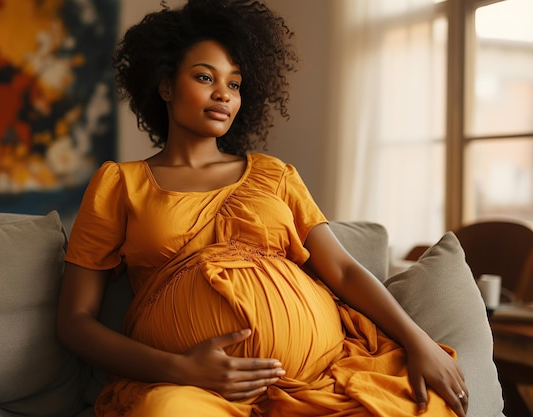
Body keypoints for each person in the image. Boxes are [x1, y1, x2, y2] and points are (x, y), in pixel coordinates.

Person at [56, 1, 469, 416]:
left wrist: (420, 341)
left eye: (234, 84)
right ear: (165, 86)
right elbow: (75, 321)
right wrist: (181, 368)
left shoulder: (274, 174)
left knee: (426, 405)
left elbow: (342, 270)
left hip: (320, 376)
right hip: (193, 389)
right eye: (205, 77)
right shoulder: (120, 184)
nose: (223, 94)